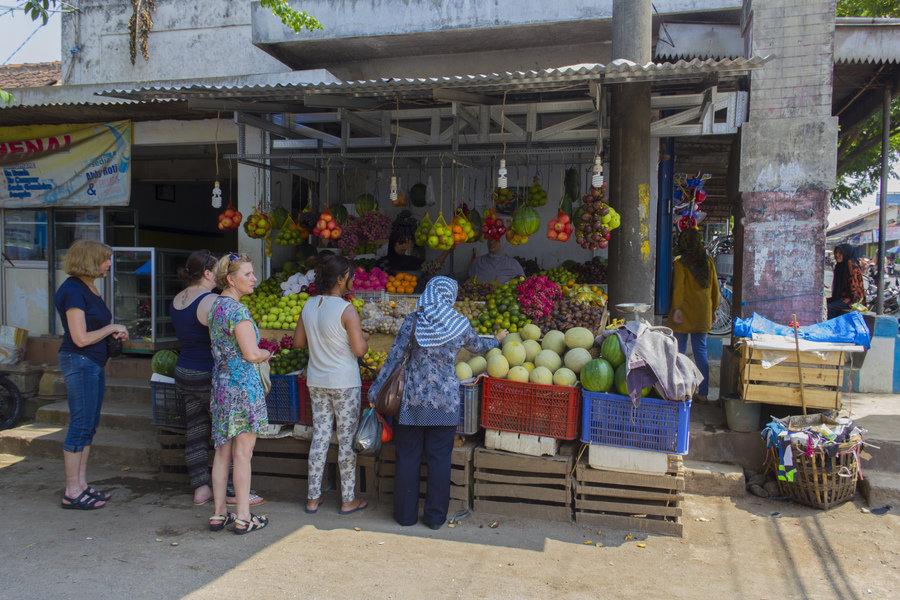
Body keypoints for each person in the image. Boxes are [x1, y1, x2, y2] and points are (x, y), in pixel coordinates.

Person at [369, 276, 506, 529]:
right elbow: (478, 346)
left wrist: (375, 390)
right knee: (439, 460)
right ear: (450, 297)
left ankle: (405, 517)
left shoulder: (414, 321)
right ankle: (434, 519)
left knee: (408, 458)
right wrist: (496, 339)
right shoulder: (460, 323)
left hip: (411, 402)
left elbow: (394, 359)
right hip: (445, 403)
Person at [170, 250, 265, 508]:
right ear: (208, 273)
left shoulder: (178, 299)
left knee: (196, 430)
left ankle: (201, 489)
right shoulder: (214, 303)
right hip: (212, 373)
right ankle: (235, 493)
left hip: (185, 371)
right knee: (231, 441)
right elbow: (247, 350)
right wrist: (266, 352)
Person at [54, 239, 129, 510]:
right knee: (80, 424)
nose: (109, 263)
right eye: (105, 259)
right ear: (89, 260)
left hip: (93, 362)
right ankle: (72, 491)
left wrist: (112, 331)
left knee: (90, 424)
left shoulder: (89, 288)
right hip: (80, 360)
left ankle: (82, 485)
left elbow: (95, 329)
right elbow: (80, 337)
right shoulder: (73, 291)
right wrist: (111, 329)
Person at [293, 254, 370, 515]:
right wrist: (363, 337)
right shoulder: (347, 310)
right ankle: (348, 499)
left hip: (317, 380)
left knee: (321, 436)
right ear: (340, 278)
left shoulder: (309, 306)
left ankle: (313, 498)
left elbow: (299, 343)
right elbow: (359, 350)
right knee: (347, 441)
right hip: (345, 383)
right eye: (350, 275)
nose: (353, 279)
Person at [207, 253, 272, 534]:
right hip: (243, 387)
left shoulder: (216, 308)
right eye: (247, 274)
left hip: (221, 386)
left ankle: (219, 514)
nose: (254, 278)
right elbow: (251, 353)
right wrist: (267, 353)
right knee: (243, 454)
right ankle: (244, 517)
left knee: (222, 452)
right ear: (231, 279)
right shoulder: (238, 312)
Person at [666, 229, 719, 404]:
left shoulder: (681, 263)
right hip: (703, 313)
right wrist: (713, 309)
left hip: (684, 312)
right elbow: (715, 289)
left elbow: (679, 288)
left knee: (679, 351)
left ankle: (679, 390)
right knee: (701, 351)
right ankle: (703, 393)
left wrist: (677, 309)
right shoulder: (708, 261)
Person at [377, 211, 452, 279]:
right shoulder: (383, 263)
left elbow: (432, 267)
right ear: (392, 243)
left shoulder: (412, 261)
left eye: (406, 243)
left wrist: (447, 251)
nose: (404, 246)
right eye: (401, 242)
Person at [827, 243, 865, 320]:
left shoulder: (851, 264)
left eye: (840, 253)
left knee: (828, 309)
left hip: (850, 300)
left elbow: (854, 287)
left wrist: (855, 305)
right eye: (836, 252)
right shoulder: (839, 265)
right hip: (841, 298)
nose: (837, 255)